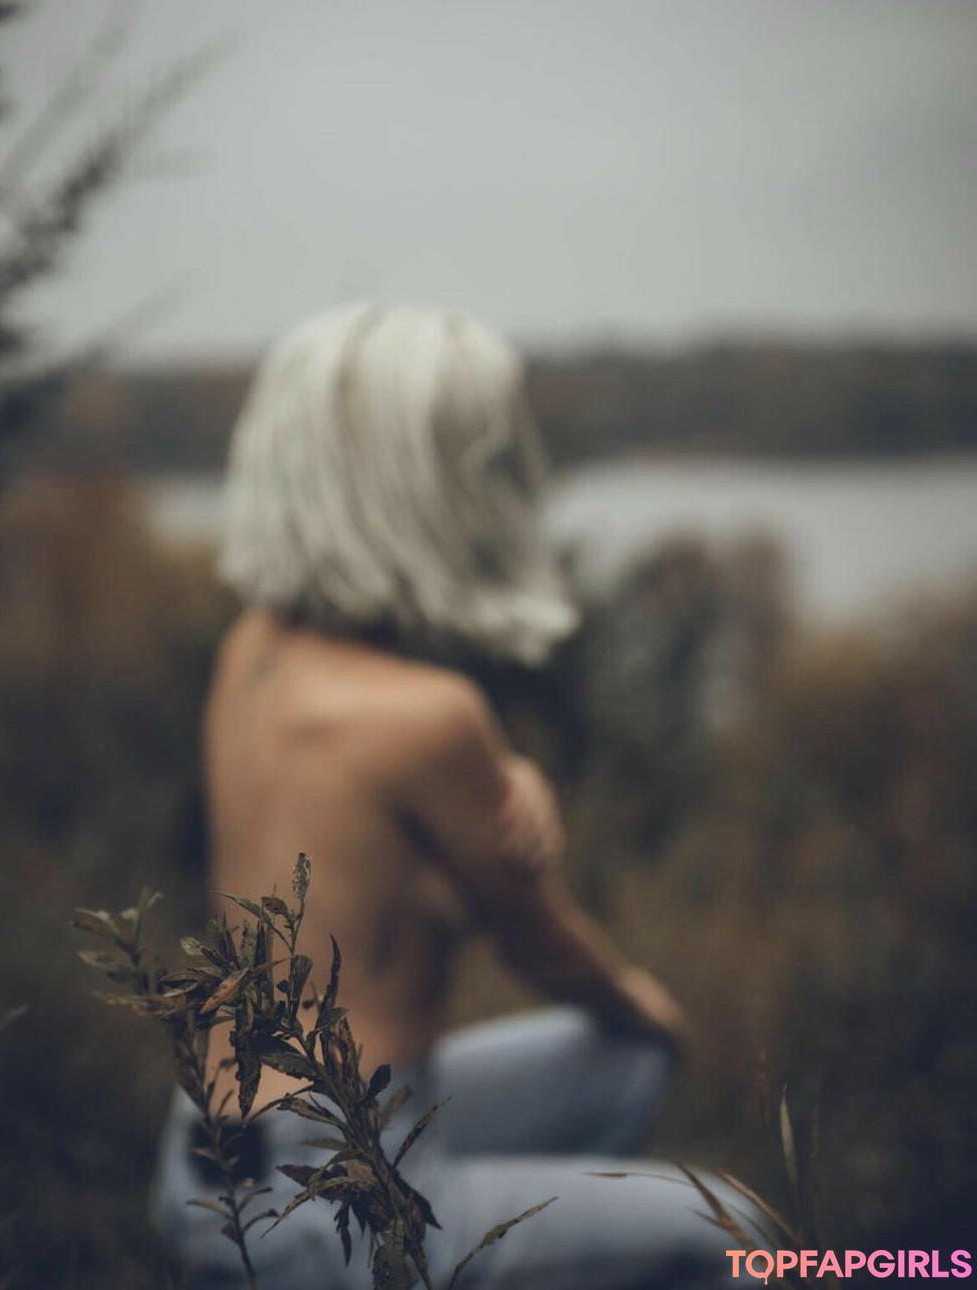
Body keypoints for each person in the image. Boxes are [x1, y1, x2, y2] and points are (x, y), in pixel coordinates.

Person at [150, 304, 759, 1288]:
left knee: (624, 1065)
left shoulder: (252, 654)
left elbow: (377, 884)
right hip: (335, 1202)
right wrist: (643, 1002)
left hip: (208, 1159)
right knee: (740, 1227)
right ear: (426, 490)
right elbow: (538, 944)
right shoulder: (430, 714)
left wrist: (507, 784)